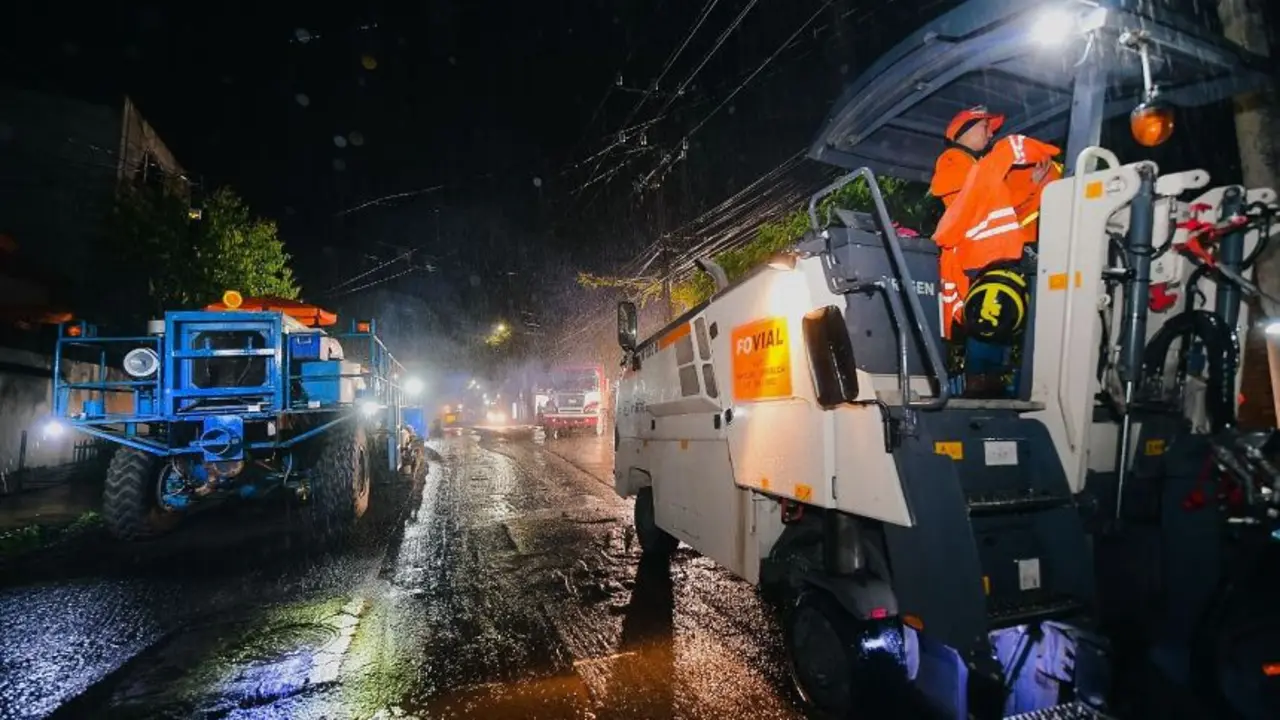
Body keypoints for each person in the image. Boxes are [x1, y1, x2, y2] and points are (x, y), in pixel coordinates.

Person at [930, 106, 1061, 397]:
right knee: (987, 319)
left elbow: (1000, 202)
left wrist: (1032, 185)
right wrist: (1002, 157)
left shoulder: (979, 168)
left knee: (1001, 317)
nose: (991, 133)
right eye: (985, 127)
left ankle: (993, 381)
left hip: (994, 257)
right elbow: (976, 198)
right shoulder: (952, 160)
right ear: (963, 131)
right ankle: (979, 383)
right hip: (978, 256)